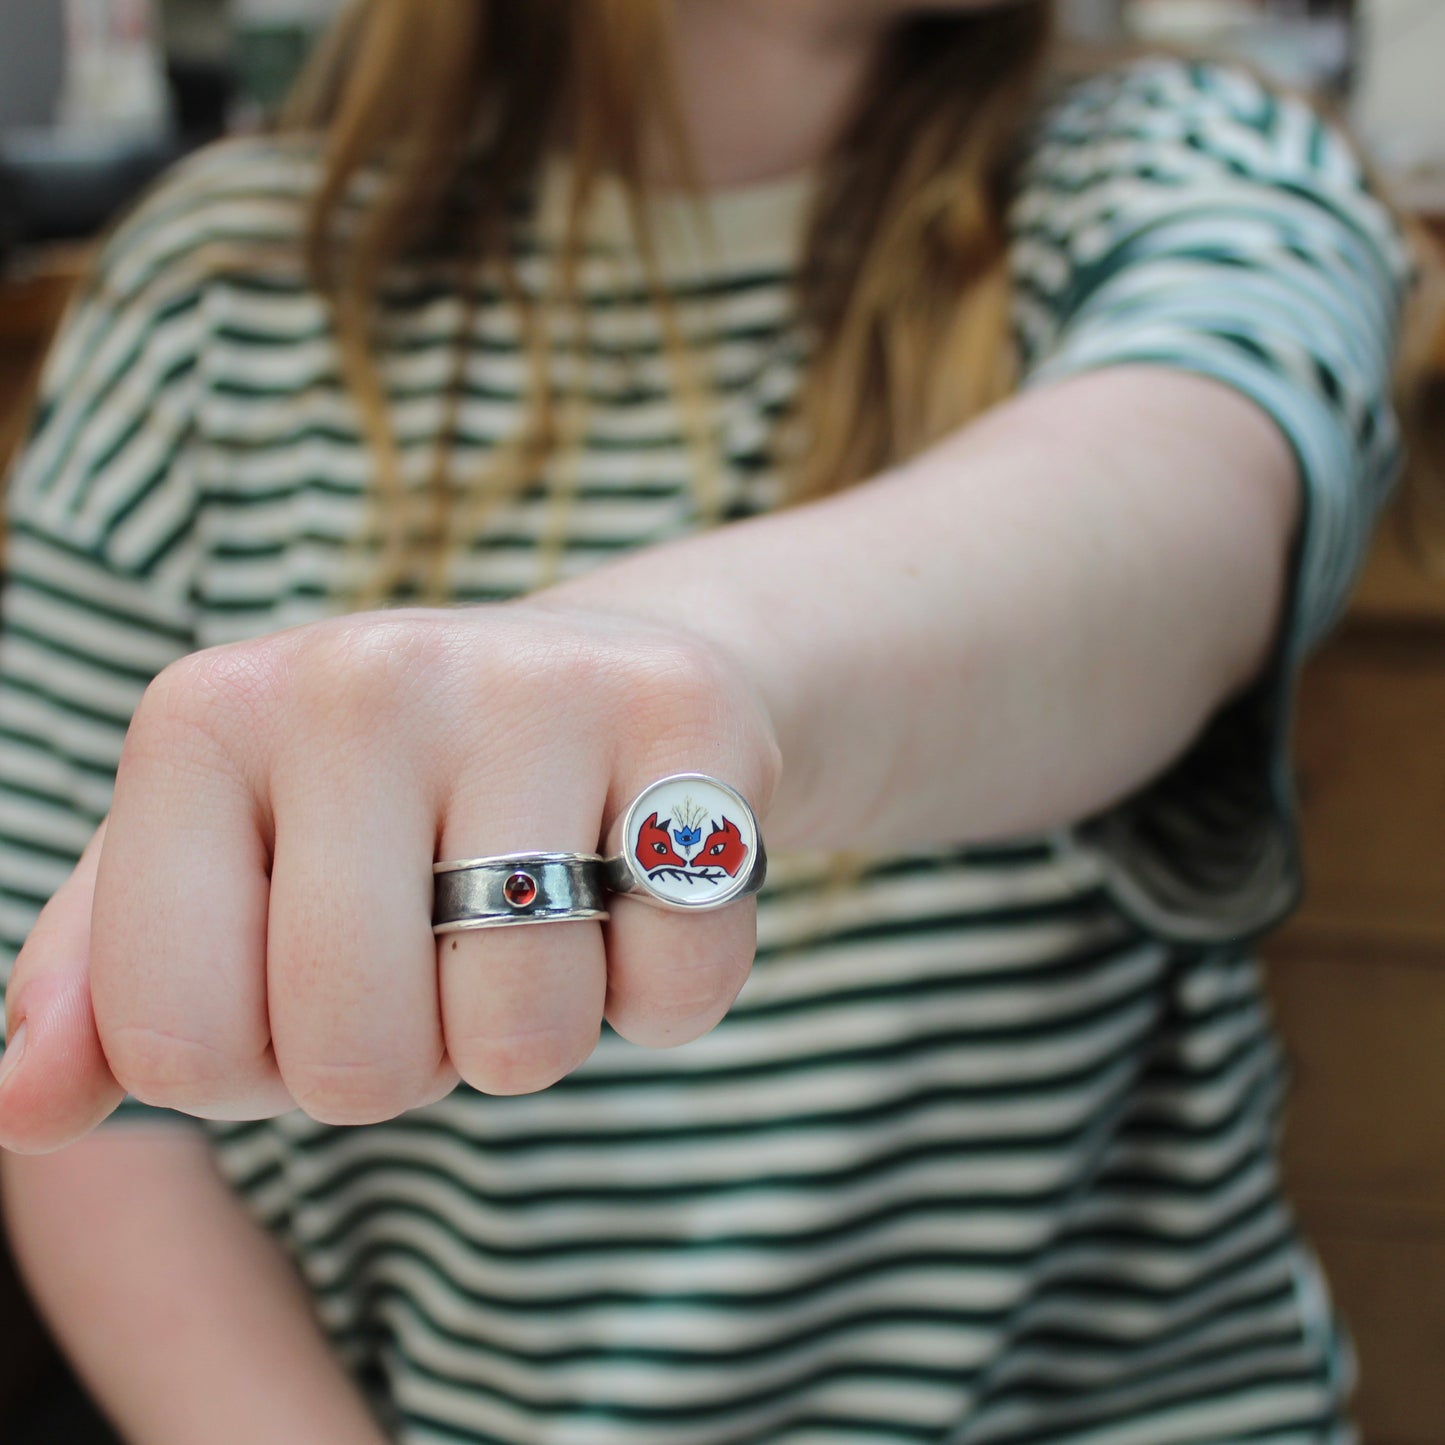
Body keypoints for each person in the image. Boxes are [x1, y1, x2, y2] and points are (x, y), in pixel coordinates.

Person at [0, 1, 1422, 1441]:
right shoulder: (216, 292)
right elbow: (78, 1078)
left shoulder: (1181, 163)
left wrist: (693, 671)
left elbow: (1172, 505)